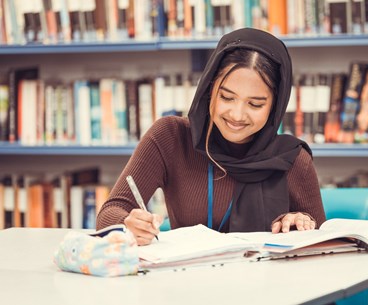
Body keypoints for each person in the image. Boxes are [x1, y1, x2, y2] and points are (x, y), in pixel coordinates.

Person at [96, 28, 326, 246]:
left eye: (255, 104)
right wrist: (126, 224)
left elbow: (325, 251)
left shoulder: (293, 160)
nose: (237, 115)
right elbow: (110, 211)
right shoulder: (170, 137)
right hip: (188, 282)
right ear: (209, 88)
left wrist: (300, 228)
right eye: (226, 98)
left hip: (265, 285)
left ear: (275, 107)